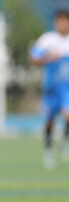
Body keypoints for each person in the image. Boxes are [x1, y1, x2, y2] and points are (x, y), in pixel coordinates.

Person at [29, 9, 69, 170]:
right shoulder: (47, 40)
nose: (63, 24)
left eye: (66, 21)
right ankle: (48, 151)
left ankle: (64, 141)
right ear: (55, 22)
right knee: (49, 123)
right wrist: (47, 57)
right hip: (50, 89)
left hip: (66, 89)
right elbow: (33, 58)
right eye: (60, 21)